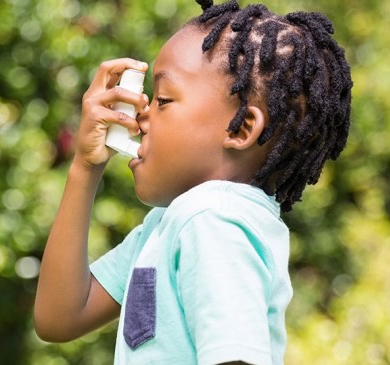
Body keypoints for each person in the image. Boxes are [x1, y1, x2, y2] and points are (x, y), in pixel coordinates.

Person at [33, 0, 352, 364]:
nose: (140, 115)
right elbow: (59, 318)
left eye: (164, 100)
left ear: (242, 128)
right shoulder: (173, 225)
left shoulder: (212, 219)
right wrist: (85, 166)